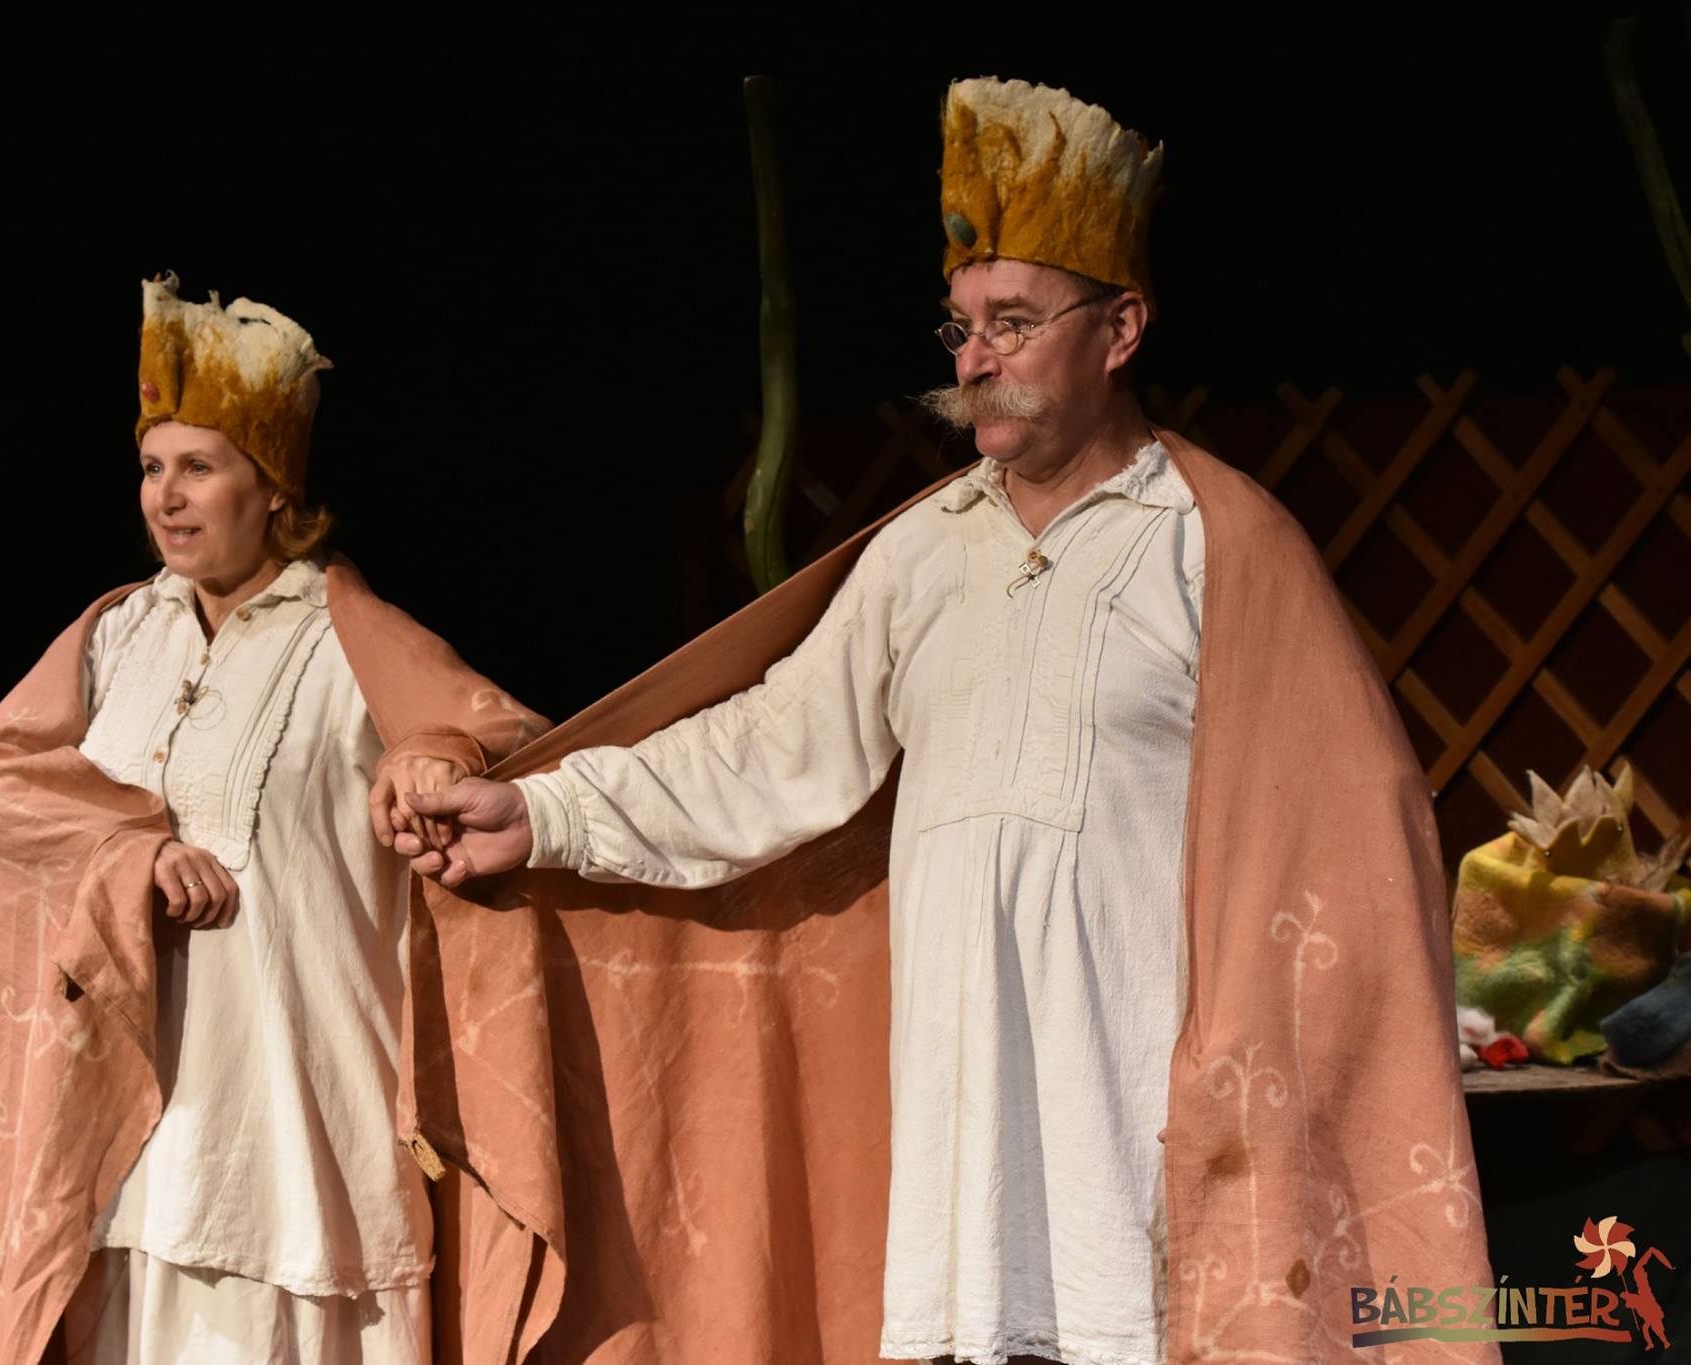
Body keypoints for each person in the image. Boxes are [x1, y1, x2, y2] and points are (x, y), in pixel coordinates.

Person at [394, 80, 1493, 1364]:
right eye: (960, 327)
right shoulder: (920, 552)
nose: (974, 361)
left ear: (1120, 328)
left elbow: (1346, 842)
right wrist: (538, 812)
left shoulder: (1215, 545)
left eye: (1012, 323)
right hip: (965, 1132)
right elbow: (771, 749)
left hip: (1141, 1120)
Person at [0, 275, 544, 1365]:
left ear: (271, 488)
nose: (165, 498)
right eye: (151, 468)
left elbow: (511, 752)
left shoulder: (351, 639)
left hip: (301, 1138)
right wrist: (130, 850)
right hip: (140, 1145)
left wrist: (435, 754)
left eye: (199, 468)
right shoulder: (117, 638)